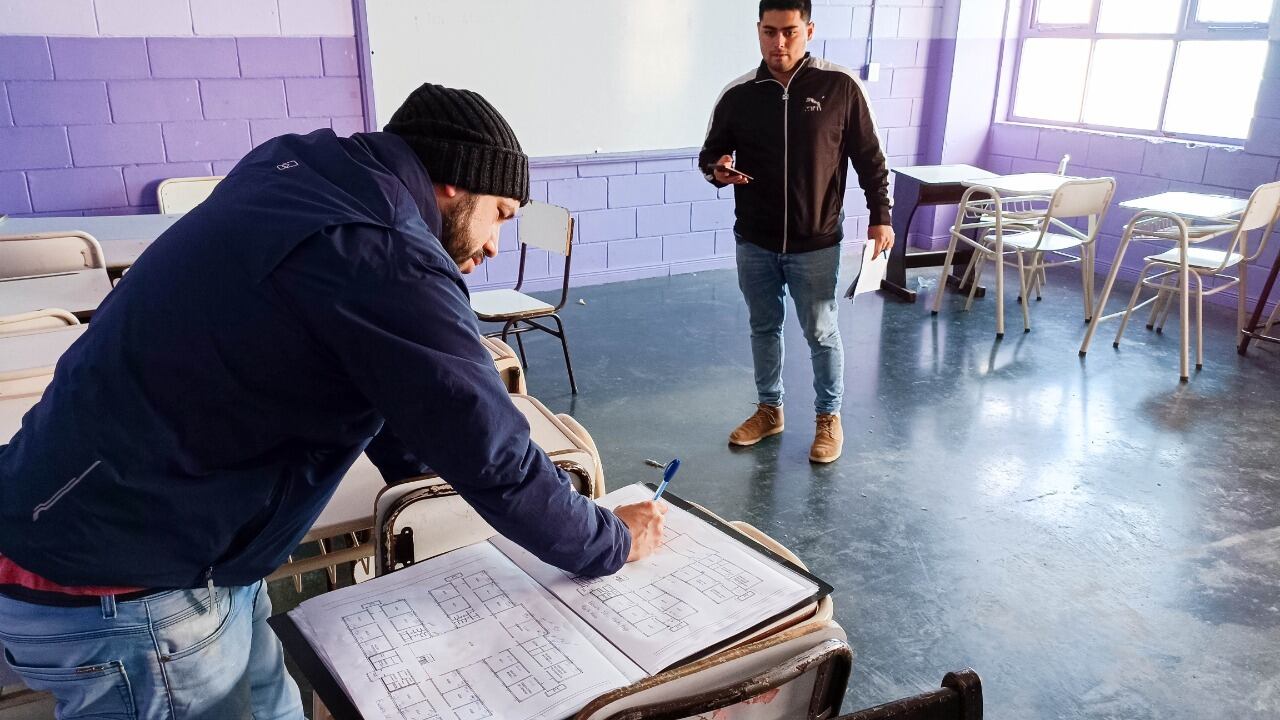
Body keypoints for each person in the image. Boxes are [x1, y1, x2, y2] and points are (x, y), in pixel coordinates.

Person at [0, 83, 667, 719]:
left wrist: (425, 467)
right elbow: (494, 454)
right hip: (129, 585)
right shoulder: (381, 248)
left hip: (166, 538)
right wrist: (608, 541)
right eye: (500, 214)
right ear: (455, 180)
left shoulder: (301, 172)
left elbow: (375, 372)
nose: (495, 244)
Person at [699, 0, 894, 463]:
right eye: (769, 32)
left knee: (821, 333)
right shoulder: (738, 94)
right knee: (763, 327)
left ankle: (829, 418)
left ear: (808, 29)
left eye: (788, 31)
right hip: (755, 240)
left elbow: (871, 159)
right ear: (758, 30)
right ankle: (770, 410)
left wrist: (880, 215)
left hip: (817, 243)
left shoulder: (841, 87)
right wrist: (717, 170)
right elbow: (711, 154)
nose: (778, 43)